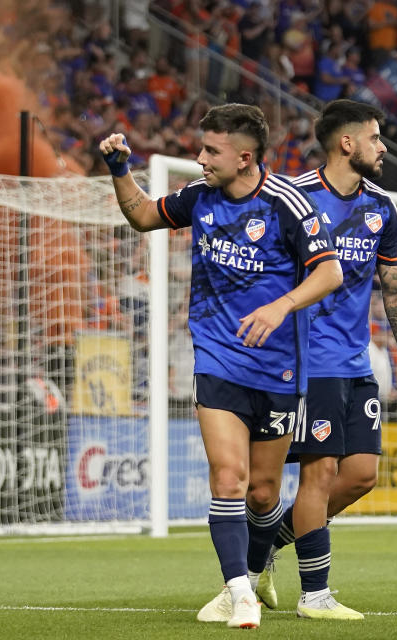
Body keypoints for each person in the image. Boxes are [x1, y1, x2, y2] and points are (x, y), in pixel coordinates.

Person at [99, 104, 343, 630]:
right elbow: (143, 215)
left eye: (211, 151)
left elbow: (329, 275)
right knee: (228, 480)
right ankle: (239, 593)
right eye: (202, 148)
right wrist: (121, 170)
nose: (200, 158)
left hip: (279, 368)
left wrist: (280, 307)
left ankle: (254, 573)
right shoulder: (199, 198)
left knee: (262, 492)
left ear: (245, 157)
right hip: (216, 357)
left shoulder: (288, 205)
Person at [198, 99, 397, 622]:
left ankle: (262, 557)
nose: (382, 146)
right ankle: (315, 595)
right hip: (307, 359)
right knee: (319, 472)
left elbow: (393, 285)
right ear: (347, 143)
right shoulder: (294, 199)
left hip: (356, 362)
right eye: (374, 137)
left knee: (362, 476)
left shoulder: (381, 208)